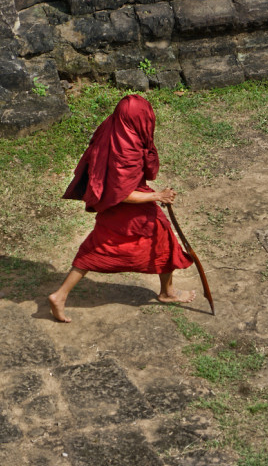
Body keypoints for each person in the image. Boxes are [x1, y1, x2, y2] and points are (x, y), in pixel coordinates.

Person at [47, 94, 196, 323]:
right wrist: (158, 196)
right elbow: (122, 192)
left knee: (98, 247)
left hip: (113, 206)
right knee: (162, 239)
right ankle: (168, 293)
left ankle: (60, 295)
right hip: (125, 206)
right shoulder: (126, 150)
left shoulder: (114, 128)